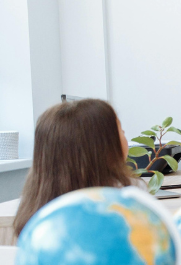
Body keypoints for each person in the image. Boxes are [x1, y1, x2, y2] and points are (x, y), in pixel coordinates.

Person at [14, 99, 135, 236]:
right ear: (102, 148)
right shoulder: (127, 201)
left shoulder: (32, 208)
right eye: (121, 130)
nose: (125, 134)